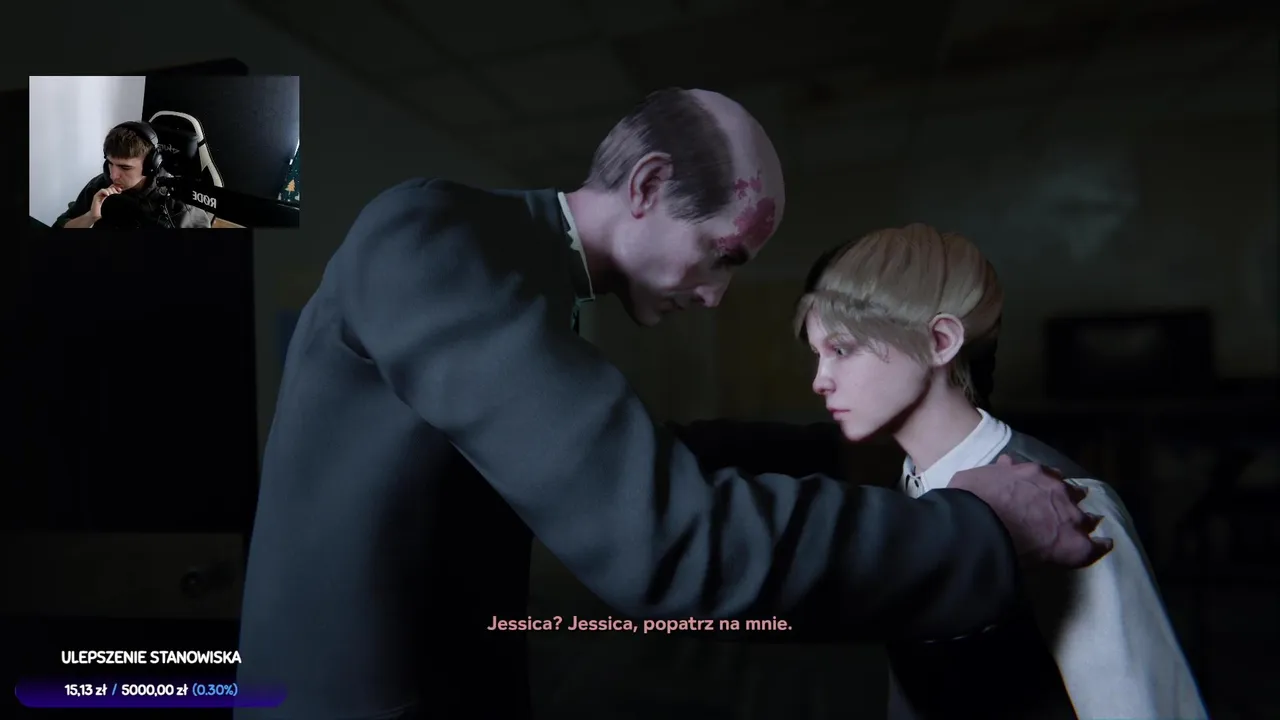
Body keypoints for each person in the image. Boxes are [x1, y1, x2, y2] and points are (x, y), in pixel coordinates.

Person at [235, 88, 1109, 720]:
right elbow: (669, 541)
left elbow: (621, 459)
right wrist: (978, 526)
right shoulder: (431, 238)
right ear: (648, 186)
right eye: (720, 255)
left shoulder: (514, 268)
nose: (717, 295)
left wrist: (842, 451)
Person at [797, 223, 1207, 719]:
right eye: (817, 354)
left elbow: (1140, 707)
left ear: (940, 341)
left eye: (842, 349)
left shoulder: (1064, 504)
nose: (820, 380)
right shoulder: (901, 498)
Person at [54, 121, 212, 229]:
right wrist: (91, 217)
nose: (114, 175)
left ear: (150, 166)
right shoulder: (100, 185)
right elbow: (61, 225)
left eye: (125, 167)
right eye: (110, 163)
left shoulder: (179, 201)